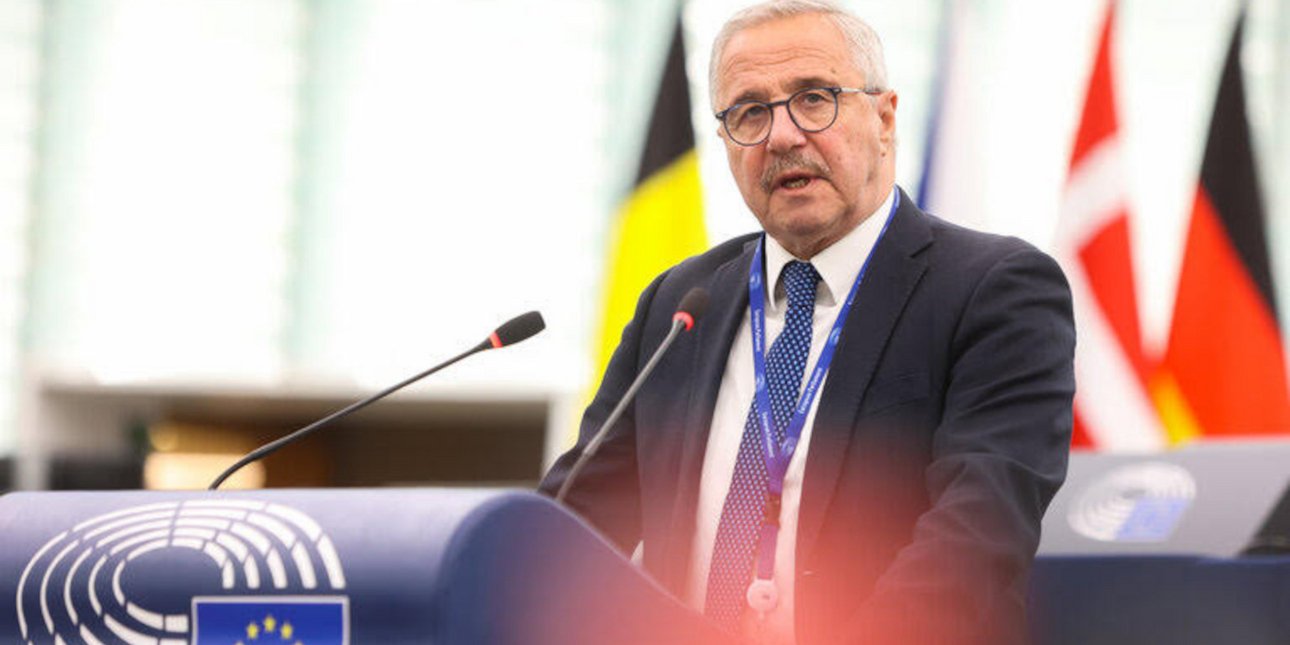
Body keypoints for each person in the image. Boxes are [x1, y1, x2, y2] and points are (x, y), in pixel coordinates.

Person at [539, 1, 1075, 643]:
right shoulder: (679, 306)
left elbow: (973, 543)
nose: (782, 136)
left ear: (884, 119)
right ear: (725, 143)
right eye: (750, 112)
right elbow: (570, 529)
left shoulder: (994, 292)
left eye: (814, 99)